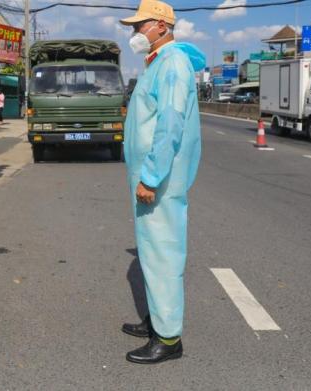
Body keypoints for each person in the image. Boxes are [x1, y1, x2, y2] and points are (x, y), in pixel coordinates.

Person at [119, 0, 205, 364]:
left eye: (139, 26)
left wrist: (151, 177)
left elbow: (169, 126)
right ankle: (157, 319)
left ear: (160, 26)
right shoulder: (158, 62)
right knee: (152, 252)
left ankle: (168, 339)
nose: (134, 33)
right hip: (153, 178)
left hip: (160, 179)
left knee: (162, 254)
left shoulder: (171, 64)